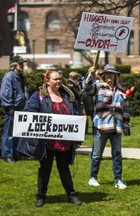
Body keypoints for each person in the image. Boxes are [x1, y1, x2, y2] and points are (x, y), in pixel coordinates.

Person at [18, 70, 82, 207]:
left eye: (59, 79)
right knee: (45, 169)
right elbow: (29, 112)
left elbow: (76, 113)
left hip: (64, 141)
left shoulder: (67, 96)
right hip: (46, 143)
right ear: (48, 81)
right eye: (55, 79)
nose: (58, 81)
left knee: (64, 168)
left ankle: (71, 194)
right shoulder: (39, 96)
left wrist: (76, 137)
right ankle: (41, 196)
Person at [85, 64, 131, 189]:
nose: (110, 75)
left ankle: (118, 179)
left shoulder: (121, 90)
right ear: (104, 76)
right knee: (97, 154)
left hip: (117, 127)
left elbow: (125, 109)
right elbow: (87, 88)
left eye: (112, 73)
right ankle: (93, 177)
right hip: (101, 125)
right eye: (107, 73)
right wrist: (90, 74)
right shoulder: (99, 87)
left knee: (117, 154)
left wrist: (126, 125)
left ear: (116, 76)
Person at [0, 56, 29, 163]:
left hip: (21, 108)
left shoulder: (20, 76)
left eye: (23, 63)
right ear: (14, 65)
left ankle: (16, 153)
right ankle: (6, 154)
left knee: (17, 132)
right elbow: (5, 93)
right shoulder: (9, 77)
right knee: (9, 133)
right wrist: (9, 107)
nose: (22, 65)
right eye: (20, 63)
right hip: (12, 108)